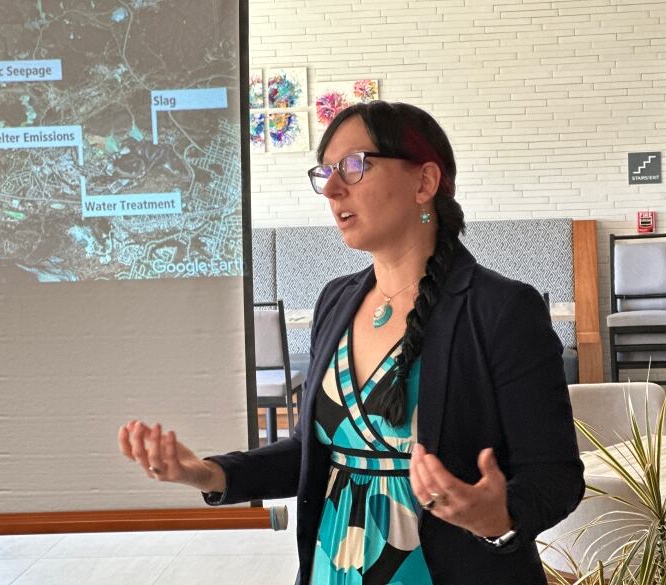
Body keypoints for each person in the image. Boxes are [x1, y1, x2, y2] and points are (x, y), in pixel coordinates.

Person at [119, 101, 585, 585]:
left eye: (354, 166)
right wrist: (211, 474)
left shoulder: (500, 309)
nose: (334, 189)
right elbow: (311, 452)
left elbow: (555, 477)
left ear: (424, 183)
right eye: (326, 172)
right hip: (331, 568)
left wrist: (498, 518)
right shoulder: (336, 300)